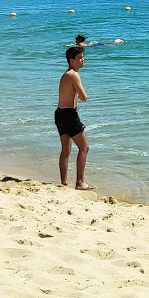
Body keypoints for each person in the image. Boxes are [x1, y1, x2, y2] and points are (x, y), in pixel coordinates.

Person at [56, 44, 92, 190]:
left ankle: (64, 182)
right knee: (84, 147)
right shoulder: (73, 75)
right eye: (79, 58)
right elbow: (84, 97)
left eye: (83, 57)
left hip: (59, 114)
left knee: (66, 150)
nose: (82, 60)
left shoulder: (66, 74)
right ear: (72, 61)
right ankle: (80, 182)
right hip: (69, 115)